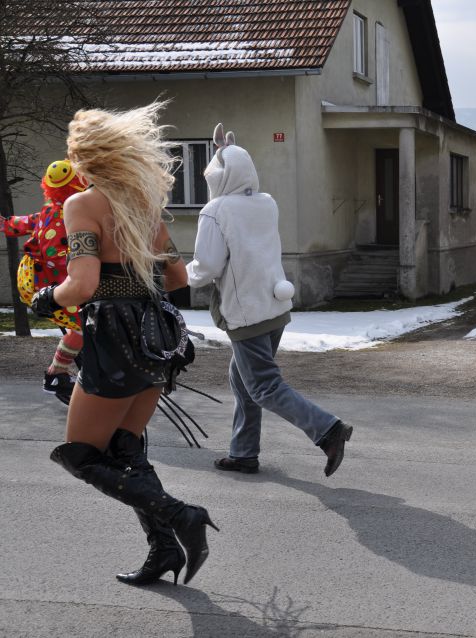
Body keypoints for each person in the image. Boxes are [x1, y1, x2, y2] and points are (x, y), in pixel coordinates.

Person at [30, 102, 218, 586]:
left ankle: (182, 516)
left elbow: (83, 285)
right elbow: (176, 276)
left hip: (112, 337)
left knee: (81, 454)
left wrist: (45, 298)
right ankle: (162, 551)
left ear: (86, 159)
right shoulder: (144, 203)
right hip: (157, 337)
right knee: (125, 448)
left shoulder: (81, 205)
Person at [186, 124, 352, 477]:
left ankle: (327, 430)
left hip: (245, 313)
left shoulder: (215, 211)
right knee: (242, 378)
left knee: (263, 385)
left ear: (218, 177)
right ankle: (244, 453)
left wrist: (185, 275)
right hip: (274, 305)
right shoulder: (266, 203)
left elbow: (209, 265)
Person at [3, 159, 88, 403]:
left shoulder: (50, 211)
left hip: (36, 278)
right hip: (43, 284)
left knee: (85, 321)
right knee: (81, 325)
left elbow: (18, 224)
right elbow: (54, 256)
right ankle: (56, 373)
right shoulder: (65, 215)